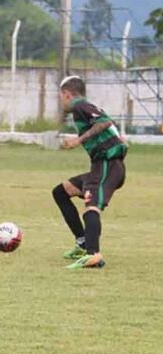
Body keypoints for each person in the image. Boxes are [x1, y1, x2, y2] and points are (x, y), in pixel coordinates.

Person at [53, 75, 127, 269]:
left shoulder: (79, 106)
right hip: (102, 166)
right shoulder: (84, 108)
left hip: (107, 165)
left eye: (61, 96)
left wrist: (78, 140)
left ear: (67, 94)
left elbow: (104, 122)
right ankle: (82, 242)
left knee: (91, 204)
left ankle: (93, 254)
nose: (61, 101)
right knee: (61, 191)